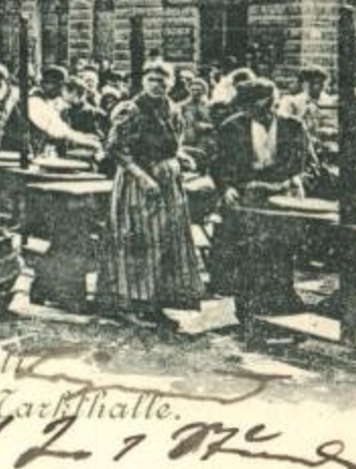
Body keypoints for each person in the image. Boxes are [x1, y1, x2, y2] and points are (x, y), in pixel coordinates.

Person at [98, 61, 202, 329]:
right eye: (153, 79)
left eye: (163, 80)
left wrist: (182, 157)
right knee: (138, 240)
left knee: (166, 240)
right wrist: (143, 178)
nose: (159, 85)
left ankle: (155, 302)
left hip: (167, 183)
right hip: (137, 183)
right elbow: (115, 148)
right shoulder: (131, 110)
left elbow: (173, 145)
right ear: (144, 81)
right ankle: (129, 303)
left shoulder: (173, 110)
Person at [208, 77, 313, 323]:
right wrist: (227, 188)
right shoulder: (231, 127)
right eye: (255, 108)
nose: (263, 113)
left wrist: (288, 182)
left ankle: (282, 298)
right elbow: (218, 164)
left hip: (282, 191)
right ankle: (247, 303)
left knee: (281, 247)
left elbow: (302, 161)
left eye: (267, 106)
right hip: (247, 191)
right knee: (247, 248)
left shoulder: (293, 126)